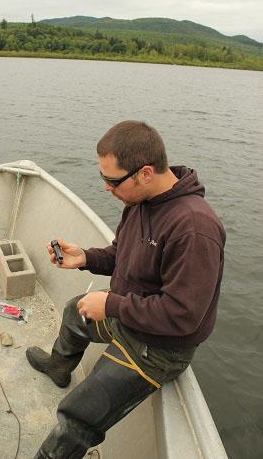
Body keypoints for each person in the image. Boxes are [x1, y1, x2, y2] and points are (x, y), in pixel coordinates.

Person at [26, 120, 226, 459]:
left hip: (159, 347)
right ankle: (59, 368)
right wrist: (85, 257)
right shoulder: (140, 201)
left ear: (145, 173)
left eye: (112, 181)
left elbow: (183, 316)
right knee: (75, 312)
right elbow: (122, 254)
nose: (106, 188)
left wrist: (112, 306)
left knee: (78, 414)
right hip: (129, 314)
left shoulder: (194, 228)